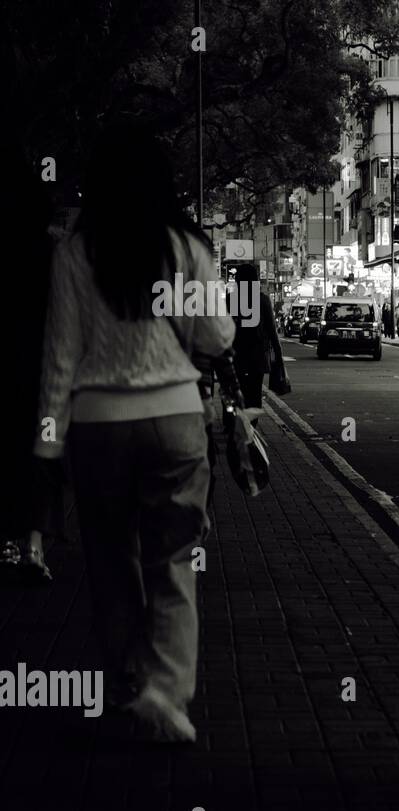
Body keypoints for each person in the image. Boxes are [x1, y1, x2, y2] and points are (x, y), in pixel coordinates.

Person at [34, 126, 235, 741]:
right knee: (173, 559)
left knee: (112, 562)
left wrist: (47, 442)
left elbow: (60, 355)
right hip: (174, 421)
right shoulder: (186, 247)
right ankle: (167, 693)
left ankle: (124, 681)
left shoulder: (75, 250)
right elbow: (218, 337)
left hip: (97, 428)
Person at [1, 145, 61, 585]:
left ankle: (8, 541)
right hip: (43, 369)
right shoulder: (55, 255)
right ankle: (34, 544)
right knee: (41, 456)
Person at [228, 262, 282, 411]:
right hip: (256, 357)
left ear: (238, 280)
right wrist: (279, 358)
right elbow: (272, 332)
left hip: (235, 355)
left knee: (234, 393)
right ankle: (250, 428)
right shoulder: (262, 300)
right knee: (254, 396)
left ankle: (235, 426)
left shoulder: (229, 299)